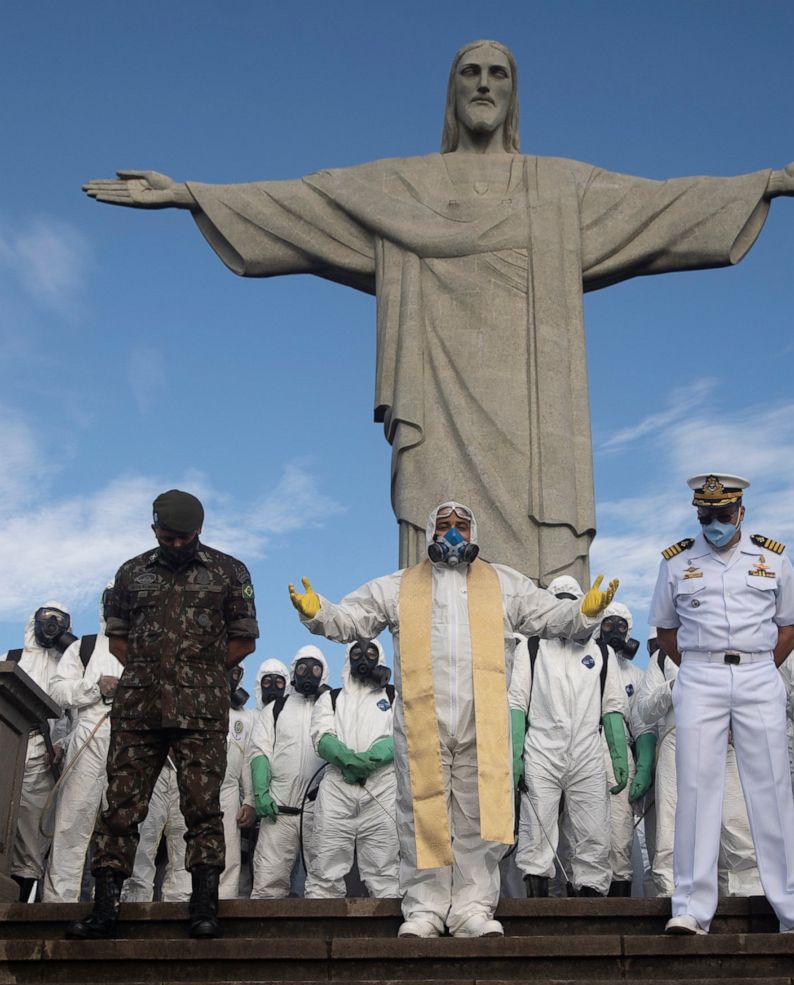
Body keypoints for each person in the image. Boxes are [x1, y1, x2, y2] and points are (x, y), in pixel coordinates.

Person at [82, 41, 794, 588]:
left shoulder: (558, 187)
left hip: (534, 407)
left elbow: (662, 203)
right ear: (452, 92)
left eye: (498, 74)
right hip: (436, 391)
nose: (483, 84)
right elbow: (306, 201)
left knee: (542, 579)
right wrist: (190, 194)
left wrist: (767, 183)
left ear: (513, 94)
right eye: (470, 73)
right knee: (441, 547)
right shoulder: (403, 185)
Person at [289, 500, 619, 937]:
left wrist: (584, 612)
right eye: (443, 525)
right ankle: (423, 910)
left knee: (478, 816)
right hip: (422, 720)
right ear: (430, 533)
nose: (452, 532)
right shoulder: (402, 585)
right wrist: (318, 613)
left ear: (474, 532)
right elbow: (354, 619)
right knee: (420, 814)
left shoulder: (502, 583)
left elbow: (549, 615)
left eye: (461, 525)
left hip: (482, 720)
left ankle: (472, 909)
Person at [66, 489, 258, 939]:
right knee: (120, 809)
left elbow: (244, 640)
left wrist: (199, 674)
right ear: (154, 529)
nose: (177, 545)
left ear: (199, 530)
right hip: (139, 709)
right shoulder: (131, 573)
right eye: (168, 538)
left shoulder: (229, 572)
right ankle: (105, 909)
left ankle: (204, 907)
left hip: (200, 711)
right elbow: (118, 639)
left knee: (202, 809)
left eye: (185, 538)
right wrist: (152, 674)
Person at [649, 473, 794, 935]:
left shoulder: (774, 559)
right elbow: (665, 631)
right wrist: (700, 668)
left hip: (758, 671)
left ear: (741, 513)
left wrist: (761, 667)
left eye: (723, 515)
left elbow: (788, 625)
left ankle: (789, 907)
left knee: (772, 787)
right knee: (695, 787)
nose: (714, 524)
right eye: (705, 516)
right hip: (700, 673)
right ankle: (690, 908)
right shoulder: (677, 562)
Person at [510, 575, 627, 898]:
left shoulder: (601, 653)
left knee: (593, 829)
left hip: (588, 753)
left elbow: (612, 707)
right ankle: (537, 900)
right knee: (537, 828)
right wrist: (515, 754)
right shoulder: (532, 648)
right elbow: (516, 703)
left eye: (571, 603)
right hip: (541, 752)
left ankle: (591, 899)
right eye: (557, 602)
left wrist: (618, 754)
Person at [634, 629, 761, 898]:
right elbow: (644, 710)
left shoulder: (729, 653)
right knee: (671, 823)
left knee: (735, 821)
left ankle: (744, 894)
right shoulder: (662, 659)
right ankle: (672, 891)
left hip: (725, 742)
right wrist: (673, 686)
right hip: (677, 740)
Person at [42, 586, 123, 902]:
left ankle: (113, 905)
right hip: (88, 738)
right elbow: (57, 692)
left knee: (124, 829)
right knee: (72, 824)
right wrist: (95, 688)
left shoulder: (148, 647)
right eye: (111, 600)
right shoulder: (84, 647)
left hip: (131, 744)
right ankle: (58, 904)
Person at [305, 637, 400, 898]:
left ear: (380, 657)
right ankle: (321, 919)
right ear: (348, 658)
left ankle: (387, 921)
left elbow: (403, 733)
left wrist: (372, 759)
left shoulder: (393, 696)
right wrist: (347, 759)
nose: (364, 658)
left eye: (370, 652)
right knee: (325, 863)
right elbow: (321, 737)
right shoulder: (331, 698)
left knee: (385, 869)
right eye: (357, 653)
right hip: (338, 786)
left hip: (382, 786)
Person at [2, 601, 75, 901]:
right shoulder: (11, 659)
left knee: (32, 838)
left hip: (44, 760)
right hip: (7, 750)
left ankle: (17, 907)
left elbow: (78, 720)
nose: (51, 625)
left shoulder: (70, 667)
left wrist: (61, 746)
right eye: (47, 618)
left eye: (59, 620)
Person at [249, 647, 328, 898]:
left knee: (323, 884)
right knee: (268, 883)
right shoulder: (275, 709)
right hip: (279, 811)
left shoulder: (329, 708)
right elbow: (260, 751)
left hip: (319, 810)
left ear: (324, 673)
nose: (308, 674)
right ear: (294, 672)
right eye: (302, 668)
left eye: (315, 668)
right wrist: (260, 793)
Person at [598, 602, 657, 897]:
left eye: (621, 626)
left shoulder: (635, 674)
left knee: (620, 829)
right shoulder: (585, 664)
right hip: (582, 745)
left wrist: (644, 765)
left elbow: (643, 723)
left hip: (620, 751)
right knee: (580, 831)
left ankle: (619, 898)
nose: (614, 631)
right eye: (607, 624)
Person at [121, 758, 191, 902]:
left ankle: (178, 909)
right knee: (141, 848)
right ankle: (135, 906)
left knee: (183, 855)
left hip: (187, 769)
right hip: (148, 767)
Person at [219, 662, 255, 899]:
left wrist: (249, 800)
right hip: (194, 787)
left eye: (236, 672)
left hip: (229, 790)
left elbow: (247, 761)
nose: (230, 676)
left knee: (230, 852)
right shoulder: (197, 704)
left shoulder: (244, 717)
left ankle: (225, 903)